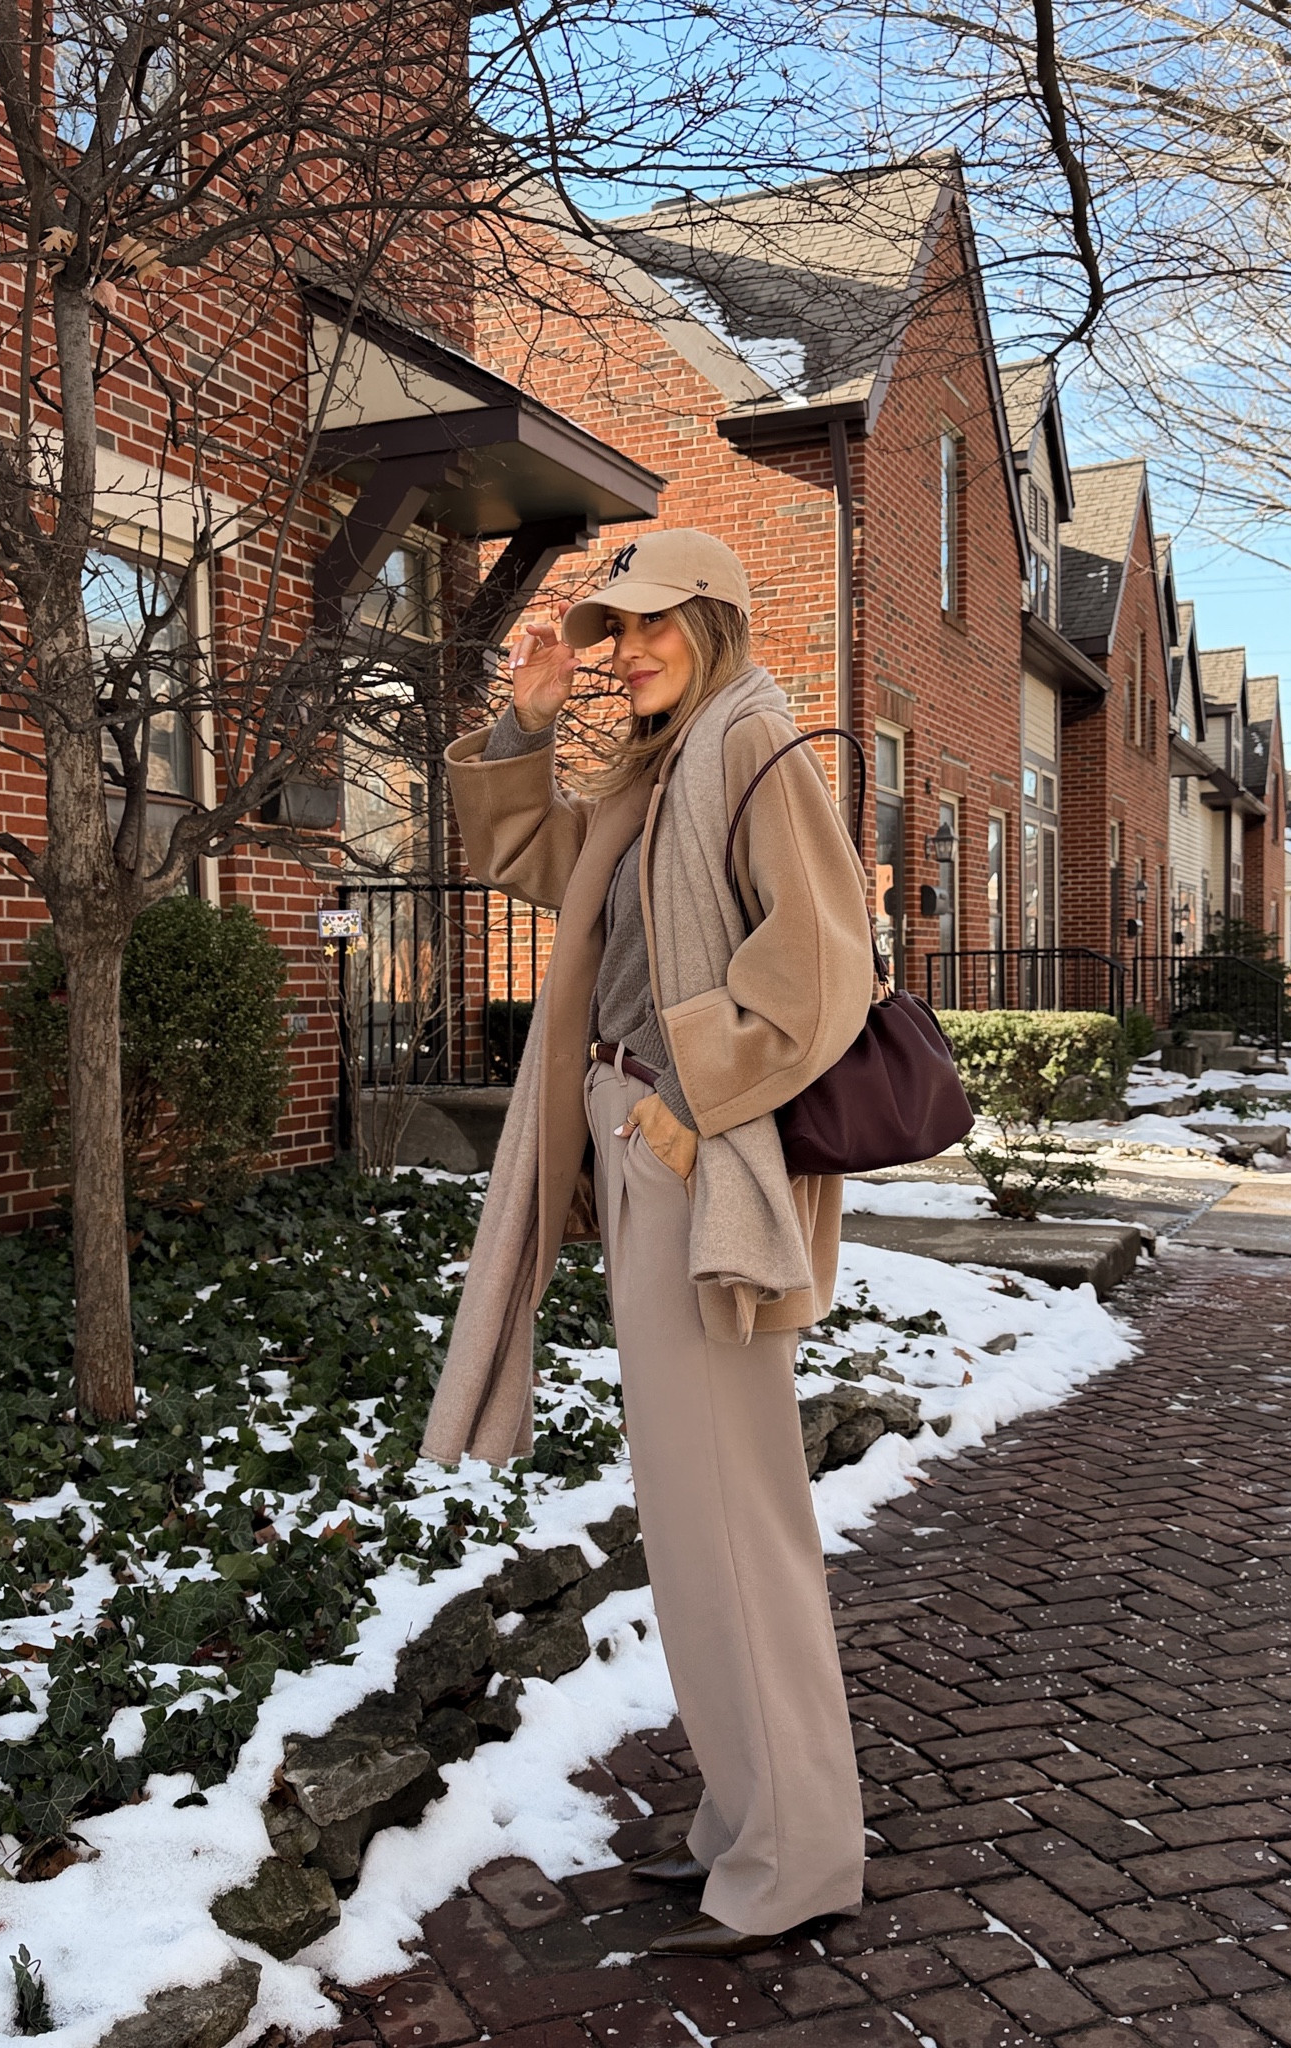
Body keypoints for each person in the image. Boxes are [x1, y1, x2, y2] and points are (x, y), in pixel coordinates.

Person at [421, 529, 875, 1955]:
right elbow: (545, 868)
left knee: (733, 1518)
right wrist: (525, 728)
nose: (623, 652)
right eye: (610, 630)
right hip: (643, 1141)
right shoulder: (664, 763)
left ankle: (795, 1859)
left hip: (695, 1157)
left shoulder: (752, 746)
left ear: (716, 618)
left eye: (648, 624)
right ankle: (746, 1822)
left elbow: (824, 965)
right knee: (694, 1516)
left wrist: (684, 1101)